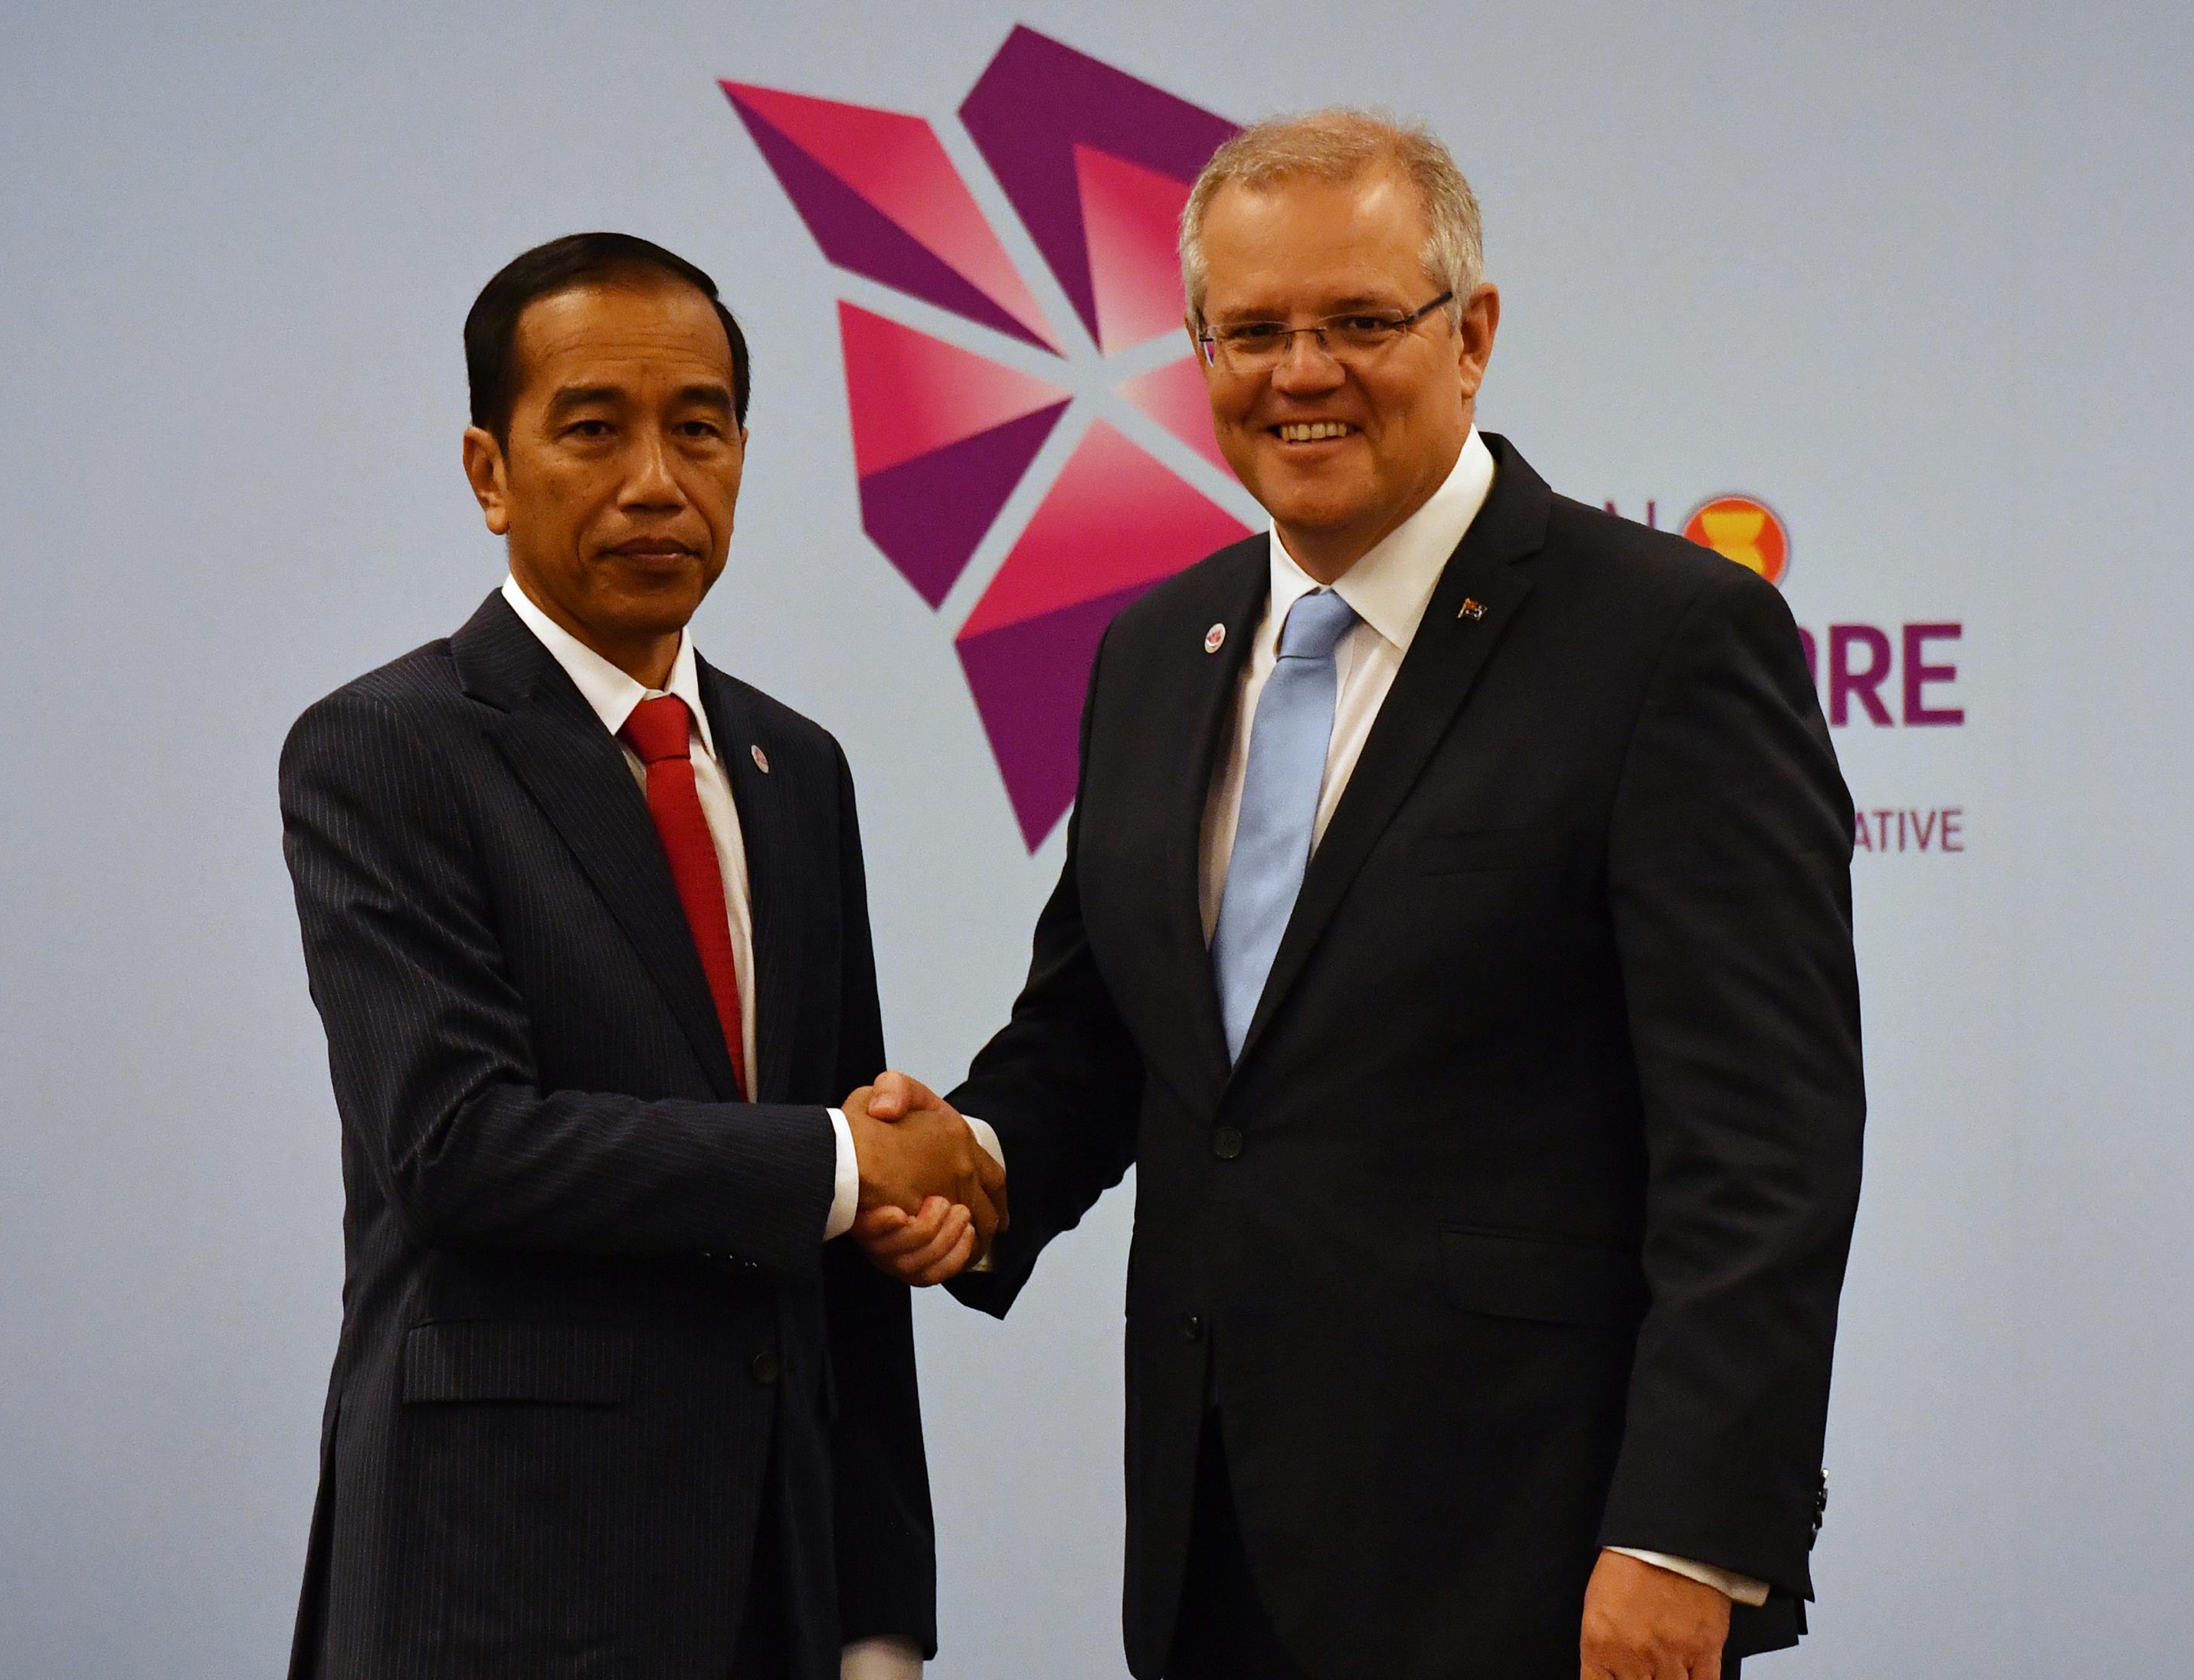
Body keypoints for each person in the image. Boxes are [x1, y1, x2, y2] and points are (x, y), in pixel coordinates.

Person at [855, 113, 1863, 1680]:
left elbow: (1765, 1147)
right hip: (1216, 1553)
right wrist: (974, 1162)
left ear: (1472, 338)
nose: (1300, 372)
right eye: (1251, 331)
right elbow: (1109, 1036)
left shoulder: (1669, 641)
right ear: (1198, 353)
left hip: (1541, 1563)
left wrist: (1686, 1534)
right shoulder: (1154, 649)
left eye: (1357, 323)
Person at [279, 233, 1003, 1680]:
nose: (656, 481)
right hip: (495, 1590)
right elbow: (460, 1144)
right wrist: (848, 1169)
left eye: (699, 428)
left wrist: (880, 1616)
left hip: (777, 1594)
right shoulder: (385, 748)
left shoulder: (798, 769)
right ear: (489, 469)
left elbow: (847, 1201)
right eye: (593, 429)